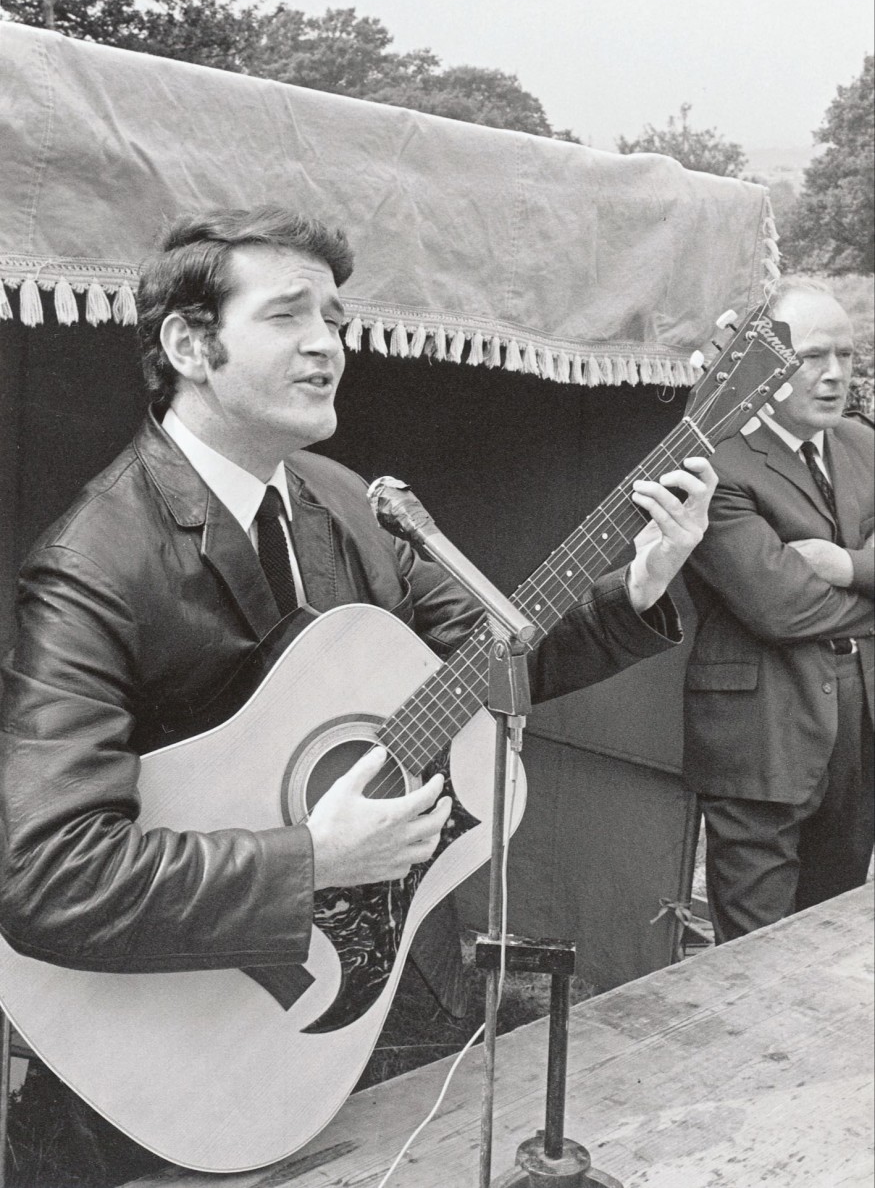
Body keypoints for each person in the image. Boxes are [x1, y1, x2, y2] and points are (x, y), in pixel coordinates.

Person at [0, 204, 716, 992]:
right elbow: (49, 876)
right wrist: (311, 859)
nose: (326, 345)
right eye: (286, 316)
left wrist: (640, 581)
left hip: (382, 976)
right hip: (187, 1008)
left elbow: (489, 658)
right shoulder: (92, 564)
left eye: (334, 321)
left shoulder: (345, 499)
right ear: (188, 345)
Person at [683, 276, 874, 945]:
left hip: (857, 733)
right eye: (811, 356)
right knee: (751, 954)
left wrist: (844, 565)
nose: (834, 374)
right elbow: (779, 606)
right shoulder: (713, 460)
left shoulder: (863, 445)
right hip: (758, 739)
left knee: (830, 938)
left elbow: (811, 590)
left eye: (845, 355)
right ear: (763, 362)